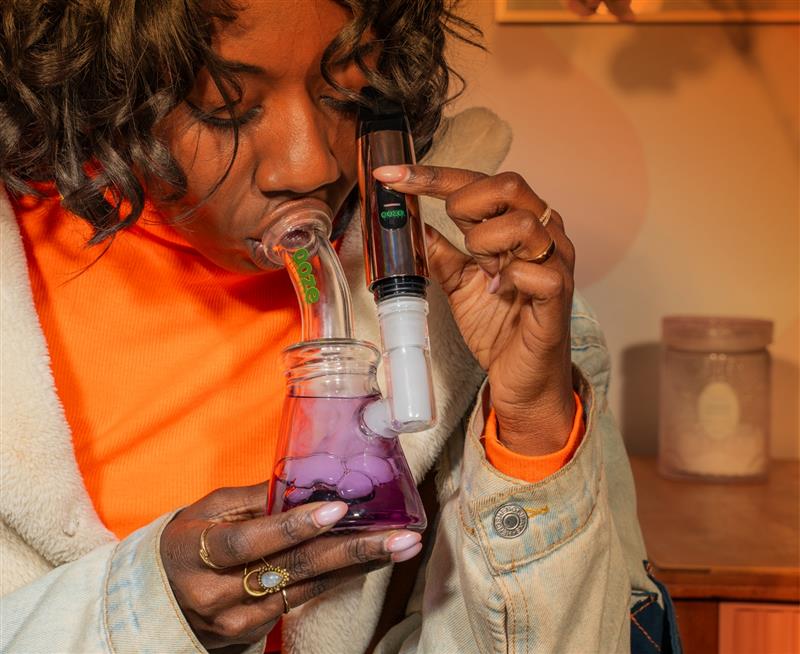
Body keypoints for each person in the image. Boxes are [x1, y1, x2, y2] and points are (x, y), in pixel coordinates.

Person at [0, 1, 679, 652]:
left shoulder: (488, 295)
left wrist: (531, 430)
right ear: (108, 88)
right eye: (225, 107)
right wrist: (145, 613)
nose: (312, 165)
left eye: (348, 96)